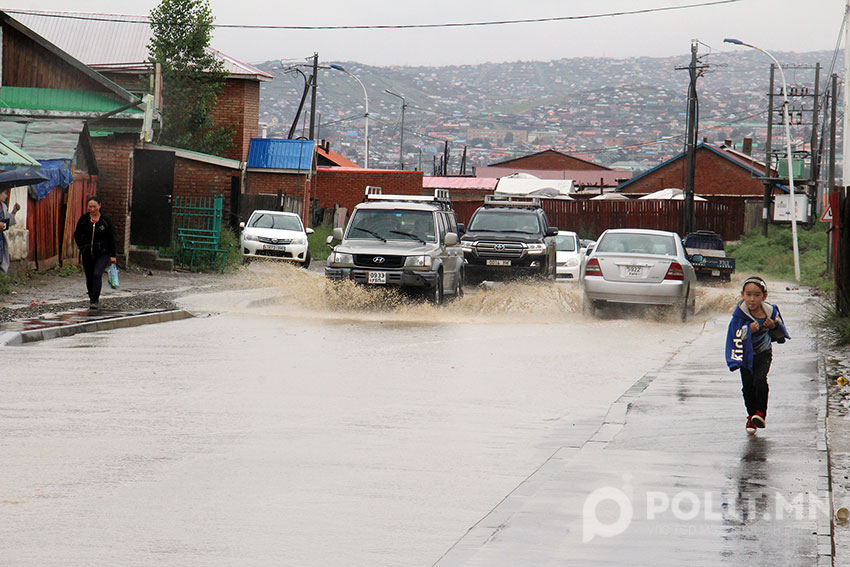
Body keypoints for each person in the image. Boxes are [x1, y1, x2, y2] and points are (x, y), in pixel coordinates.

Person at [725, 276, 790, 435]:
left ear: (764, 296)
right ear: (742, 295)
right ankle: (751, 416)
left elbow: (781, 333)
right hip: (745, 356)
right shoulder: (739, 315)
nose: (752, 299)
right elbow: (734, 336)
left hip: (763, 353)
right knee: (748, 386)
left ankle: (760, 413)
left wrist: (773, 326)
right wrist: (748, 330)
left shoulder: (770, 312)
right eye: (748, 295)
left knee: (760, 380)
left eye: (756, 295)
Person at [73, 196, 117, 310]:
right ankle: (91, 296)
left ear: (100, 206)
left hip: (102, 253)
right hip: (87, 253)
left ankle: (95, 299)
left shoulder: (105, 221)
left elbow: (111, 238)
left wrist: (113, 255)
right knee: (89, 276)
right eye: (90, 207)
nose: (92, 209)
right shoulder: (84, 220)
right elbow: (77, 234)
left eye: (94, 206)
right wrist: (81, 247)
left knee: (97, 274)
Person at [0, 188, 20, 273]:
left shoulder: (3, 207)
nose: (6, 196)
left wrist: (14, 211)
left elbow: (7, 221)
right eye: (4, 193)